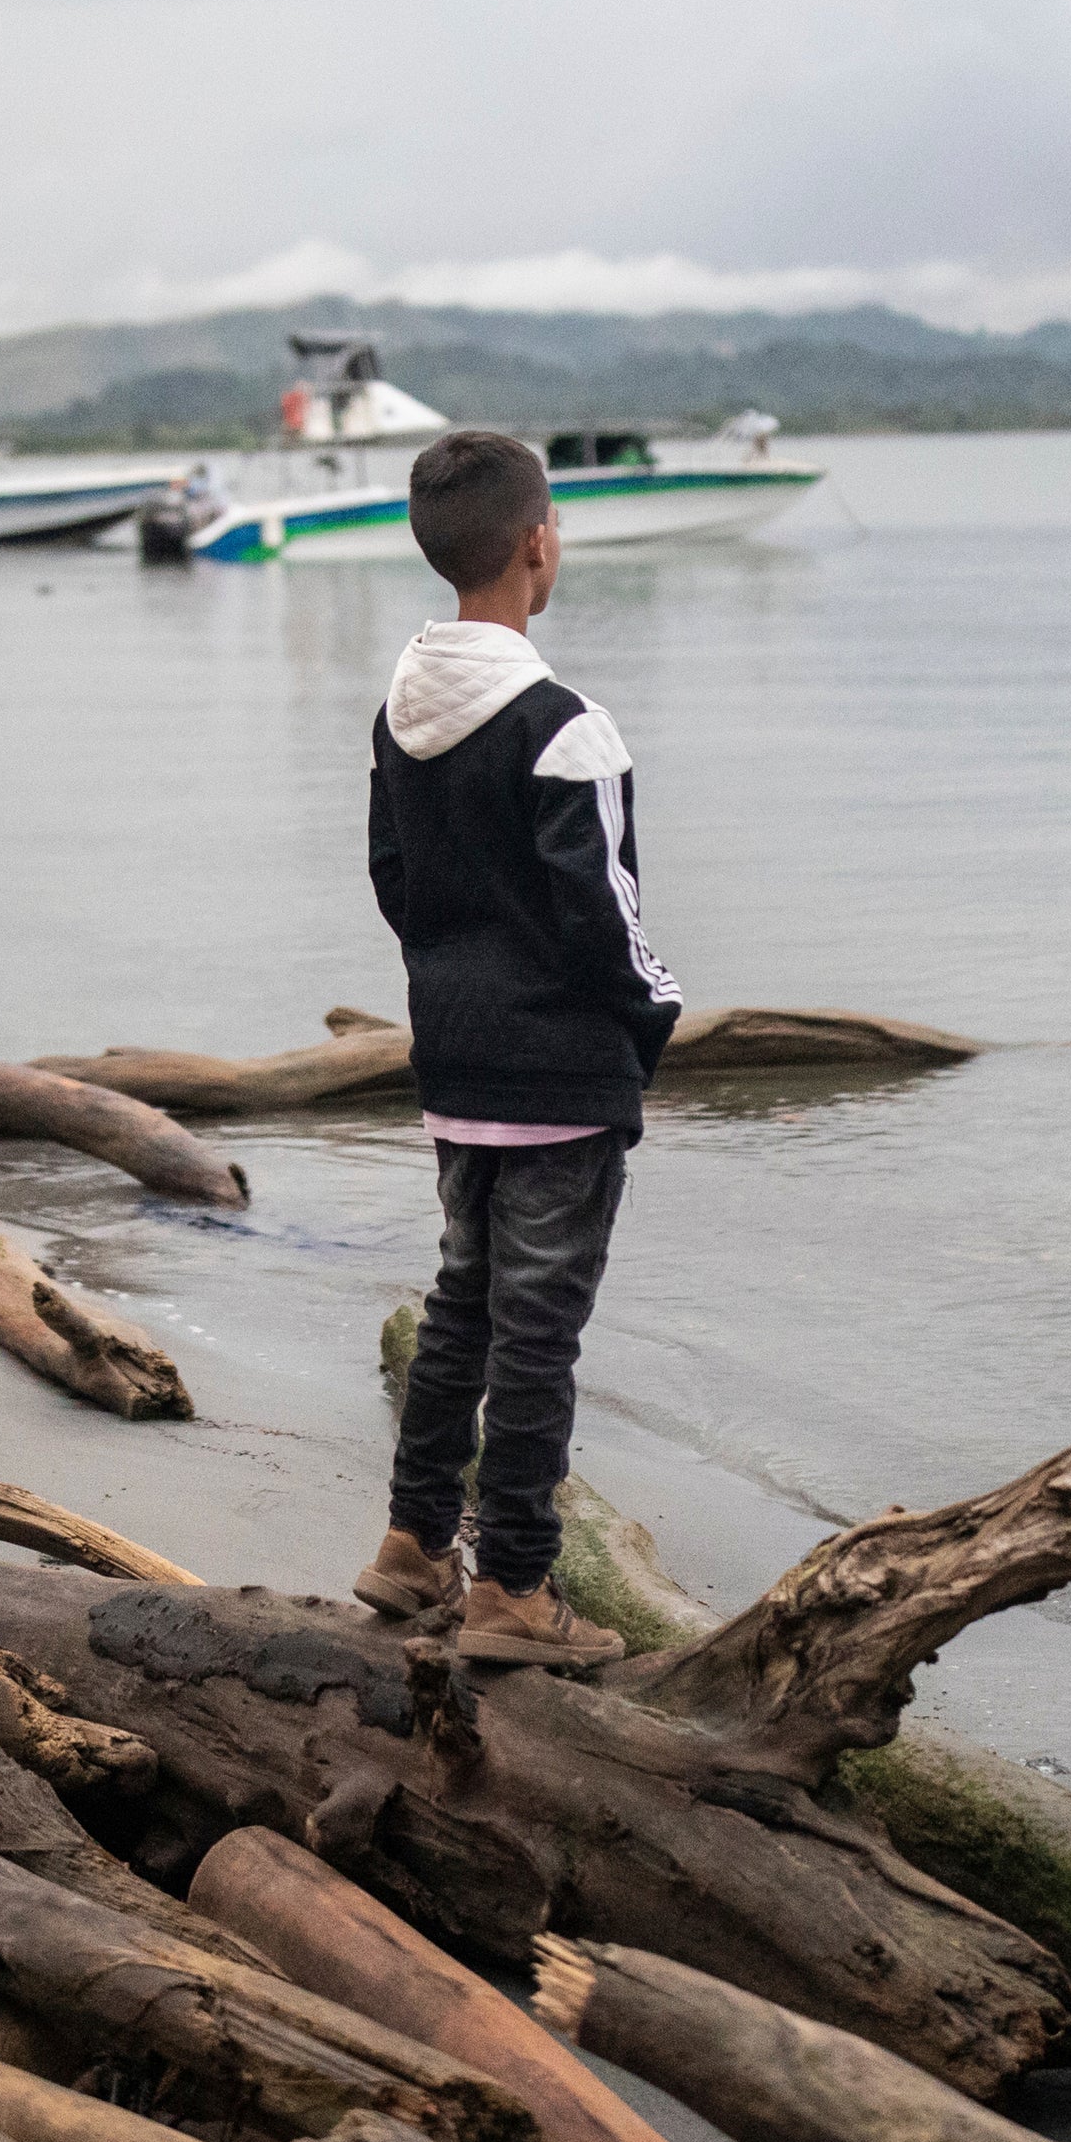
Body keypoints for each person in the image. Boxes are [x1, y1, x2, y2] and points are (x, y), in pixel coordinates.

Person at [356, 430, 681, 1668]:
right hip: (560, 1078)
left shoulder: (401, 714)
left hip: (457, 1066)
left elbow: (395, 880)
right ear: (538, 543)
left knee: (463, 1308)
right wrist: (650, 1019)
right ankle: (516, 1589)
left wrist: (455, 987)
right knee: (539, 1336)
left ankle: (411, 1544)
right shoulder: (568, 727)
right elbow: (610, 916)